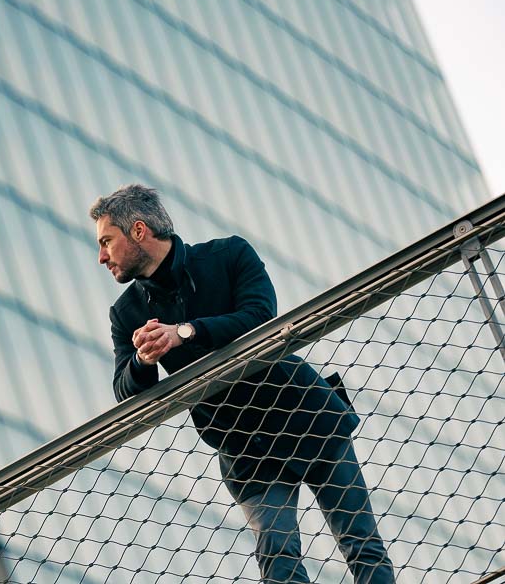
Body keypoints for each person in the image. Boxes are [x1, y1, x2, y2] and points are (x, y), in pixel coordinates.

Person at [90, 184, 394, 583]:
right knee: (279, 566)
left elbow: (262, 315)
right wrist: (145, 360)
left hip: (306, 416)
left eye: (107, 242)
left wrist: (186, 332)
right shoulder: (125, 312)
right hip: (244, 448)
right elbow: (125, 389)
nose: (101, 257)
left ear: (140, 231)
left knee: (361, 544)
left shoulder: (229, 254)